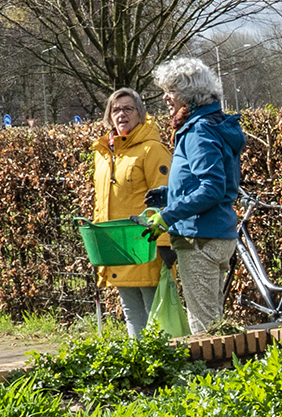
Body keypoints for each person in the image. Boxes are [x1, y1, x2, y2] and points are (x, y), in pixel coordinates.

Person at [140, 56, 244, 334]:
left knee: (205, 329)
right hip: (218, 233)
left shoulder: (198, 131)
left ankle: (217, 377)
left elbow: (211, 188)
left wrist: (169, 214)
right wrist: (168, 195)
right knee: (214, 320)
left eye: (170, 91)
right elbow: (213, 183)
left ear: (187, 95)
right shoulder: (215, 125)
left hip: (200, 237)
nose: (165, 98)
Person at [91, 86, 171, 338]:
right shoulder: (103, 154)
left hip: (146, 246)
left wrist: (166, 244)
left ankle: (162, 366)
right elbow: (101, 202)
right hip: (118, 246)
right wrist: (98, 241)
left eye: (128, 108)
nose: (121, 114)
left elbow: (166, 199)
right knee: (130, 310)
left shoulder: (151, 150)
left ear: (140, 113)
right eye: (116, 109)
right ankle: (139, 363)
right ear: (108, 115)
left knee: (155, 312)